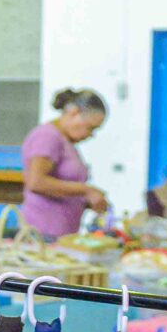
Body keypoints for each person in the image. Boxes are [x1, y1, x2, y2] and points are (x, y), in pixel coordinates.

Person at [21, 88, 109, 238]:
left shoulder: (65, 141)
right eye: (90, 128)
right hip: (43, 233)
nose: (91, 135)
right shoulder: (47, 136)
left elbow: (63, 187)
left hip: (62, 232)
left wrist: (88, 200)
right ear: (73, 113)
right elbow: (36, 182)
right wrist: (86, 190)